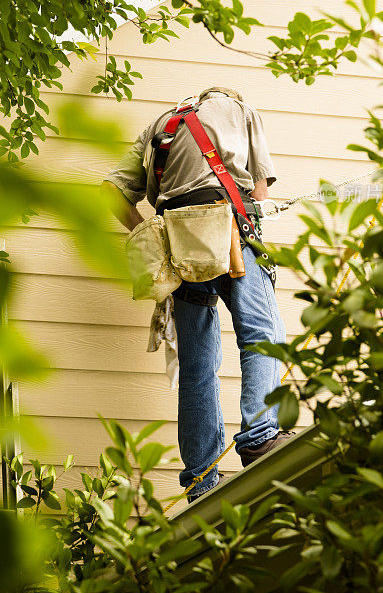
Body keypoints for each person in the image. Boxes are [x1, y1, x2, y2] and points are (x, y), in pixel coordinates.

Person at [101, 86, 294, 502]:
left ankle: (201, 478)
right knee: (263, 335)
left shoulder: (156, 130)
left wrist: (144, 232)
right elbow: (259, 194)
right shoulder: (241, 108)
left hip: (179, 245)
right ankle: (260, 436)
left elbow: (111, 190)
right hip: (230, 231)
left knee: (197, 364)